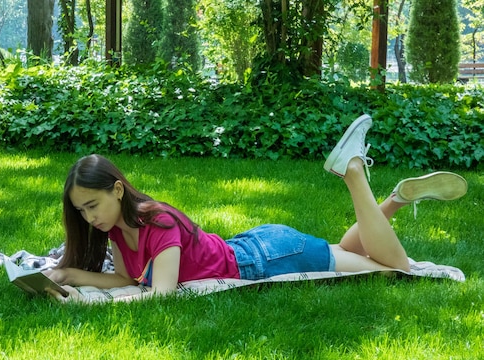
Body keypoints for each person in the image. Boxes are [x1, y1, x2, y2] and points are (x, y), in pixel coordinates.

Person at [44, 114, 468, 302]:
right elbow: (124, 278)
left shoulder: (159, 220)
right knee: (353, 252)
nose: (89, 218)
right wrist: (67, 274)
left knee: (394, 268)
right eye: (81, 211)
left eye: (92, 205)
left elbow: (160, 294)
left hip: (269, 259)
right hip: (260, 246)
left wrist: (84, 299)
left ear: (118, 190)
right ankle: (395, 200)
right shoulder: (117, 228)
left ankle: (354, 172)